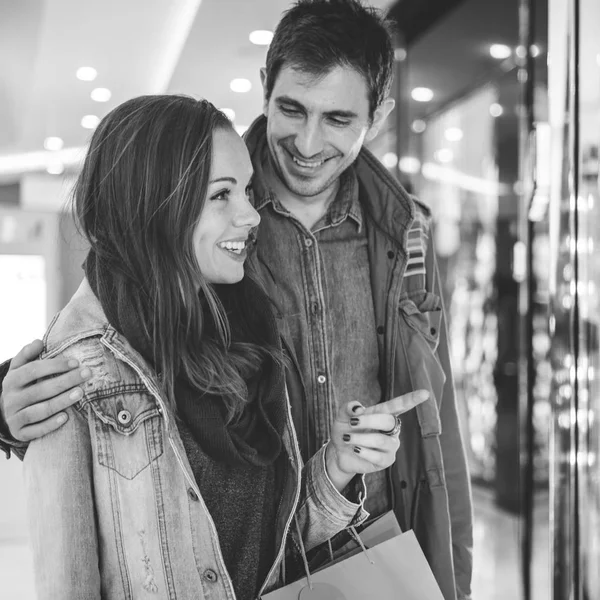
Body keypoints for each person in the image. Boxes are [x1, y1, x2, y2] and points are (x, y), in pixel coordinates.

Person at [0, 1, 473, 599]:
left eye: (337, 119)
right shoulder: (212, 222)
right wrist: (10, 407)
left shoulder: (404, 232)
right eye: (291, 108)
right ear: (265, 89)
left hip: (366, 544)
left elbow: (440, 424)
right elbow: (114, 327)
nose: (306, 142)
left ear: (376, 116)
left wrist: (453, 571)